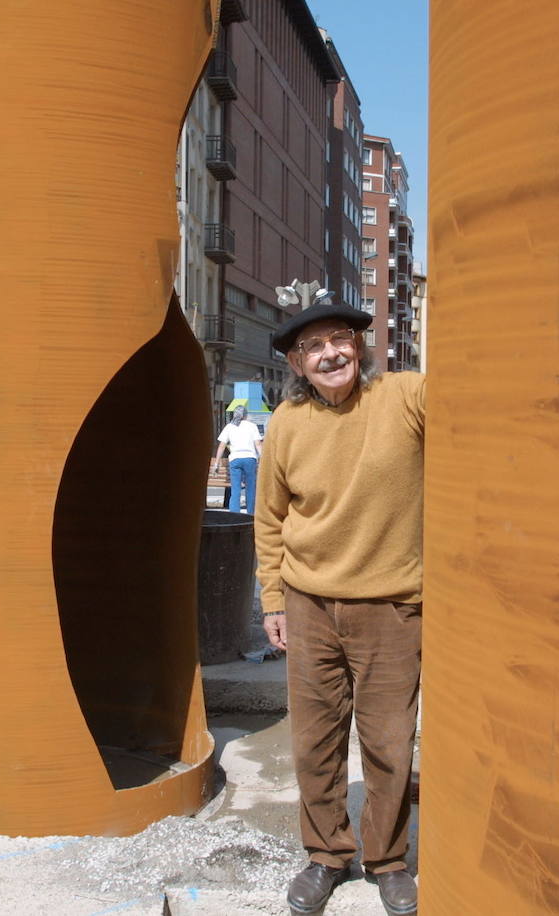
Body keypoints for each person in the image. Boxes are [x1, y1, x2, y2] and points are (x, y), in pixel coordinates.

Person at [253, 301, 424, 916]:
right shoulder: (286, 423)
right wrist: (273, 599)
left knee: (388, 743)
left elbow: (478, 401)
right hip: (309, 605)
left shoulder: (404, 396)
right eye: (314, 348)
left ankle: (386, 861)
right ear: (298, 364)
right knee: (314, 742)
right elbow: (269, 519)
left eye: (340, 339)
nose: (330, 354)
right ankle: (327, 856)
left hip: (392, 607)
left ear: (359, 345)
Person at [211, 405, 263, 514]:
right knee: (250, 489)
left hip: (235, 459)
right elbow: (258, 444)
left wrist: (216, 463)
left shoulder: (229, 427)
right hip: (250, 459)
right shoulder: (252, 426)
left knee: (235, 490)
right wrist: (262, 458)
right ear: (245, 415)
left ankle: (234, 514)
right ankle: (250, 514)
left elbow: (221, 446)